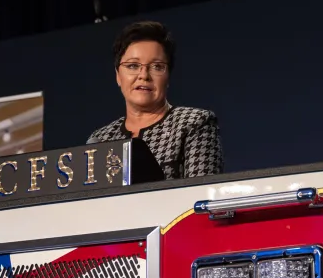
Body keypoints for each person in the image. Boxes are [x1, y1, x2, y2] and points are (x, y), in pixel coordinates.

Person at [87, 21, 224, 180]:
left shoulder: (194, 124)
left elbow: (199, 195)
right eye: (132, 66)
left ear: (168, 77)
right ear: (118, 75)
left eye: (157, 67)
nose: (144, 75)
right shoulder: (101, 139)